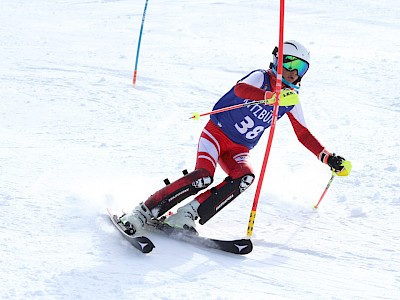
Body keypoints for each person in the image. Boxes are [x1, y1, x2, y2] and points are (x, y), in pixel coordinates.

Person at [119, 40, 352, 235]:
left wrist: (328, 158)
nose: (293, 71)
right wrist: (269, 95)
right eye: (289, 63)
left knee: (245, 177)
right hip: (216, 134)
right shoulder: (261, 78)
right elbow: (241, 89)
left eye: (301, 68)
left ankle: (186, 215)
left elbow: (303, 134)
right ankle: (143, 211)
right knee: (203, 177)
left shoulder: (291, 99)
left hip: (239, 148)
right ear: (277, 61)